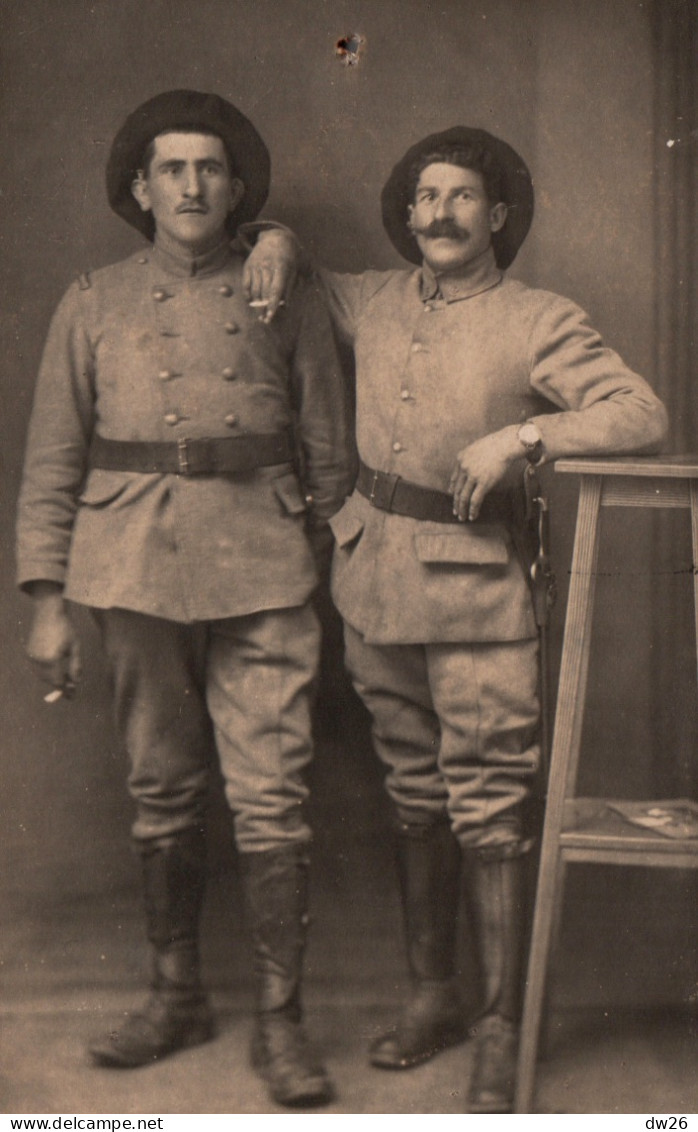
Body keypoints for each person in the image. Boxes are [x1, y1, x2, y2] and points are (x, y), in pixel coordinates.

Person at [242, 125, 669, 1112]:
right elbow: (293, 258)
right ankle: (434, 995)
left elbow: (638, 411)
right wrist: (268, 234)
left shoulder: (536, 317)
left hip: (479, 598)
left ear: (497, 215)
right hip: (374, 584)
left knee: (485, 806)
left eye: (460, 198)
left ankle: (497, 1027)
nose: (437, 214)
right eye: (423, 198)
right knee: (412, 795)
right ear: (406, 214)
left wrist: (523, 435)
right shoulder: (376, 297)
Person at [15, 89, 352, 1109]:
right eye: (173, 169)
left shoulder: (280, 293)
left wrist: (341, 556)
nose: (193, 186)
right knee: (160, 785)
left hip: (264, 562)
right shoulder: (94, 299)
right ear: (139, 188)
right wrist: (43, 596)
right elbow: (52, 458)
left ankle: (281, 1021)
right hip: (131, 566)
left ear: (236, 188)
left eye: (210, 169)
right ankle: (175, 996)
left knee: (271, 792)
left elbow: (328, 447)